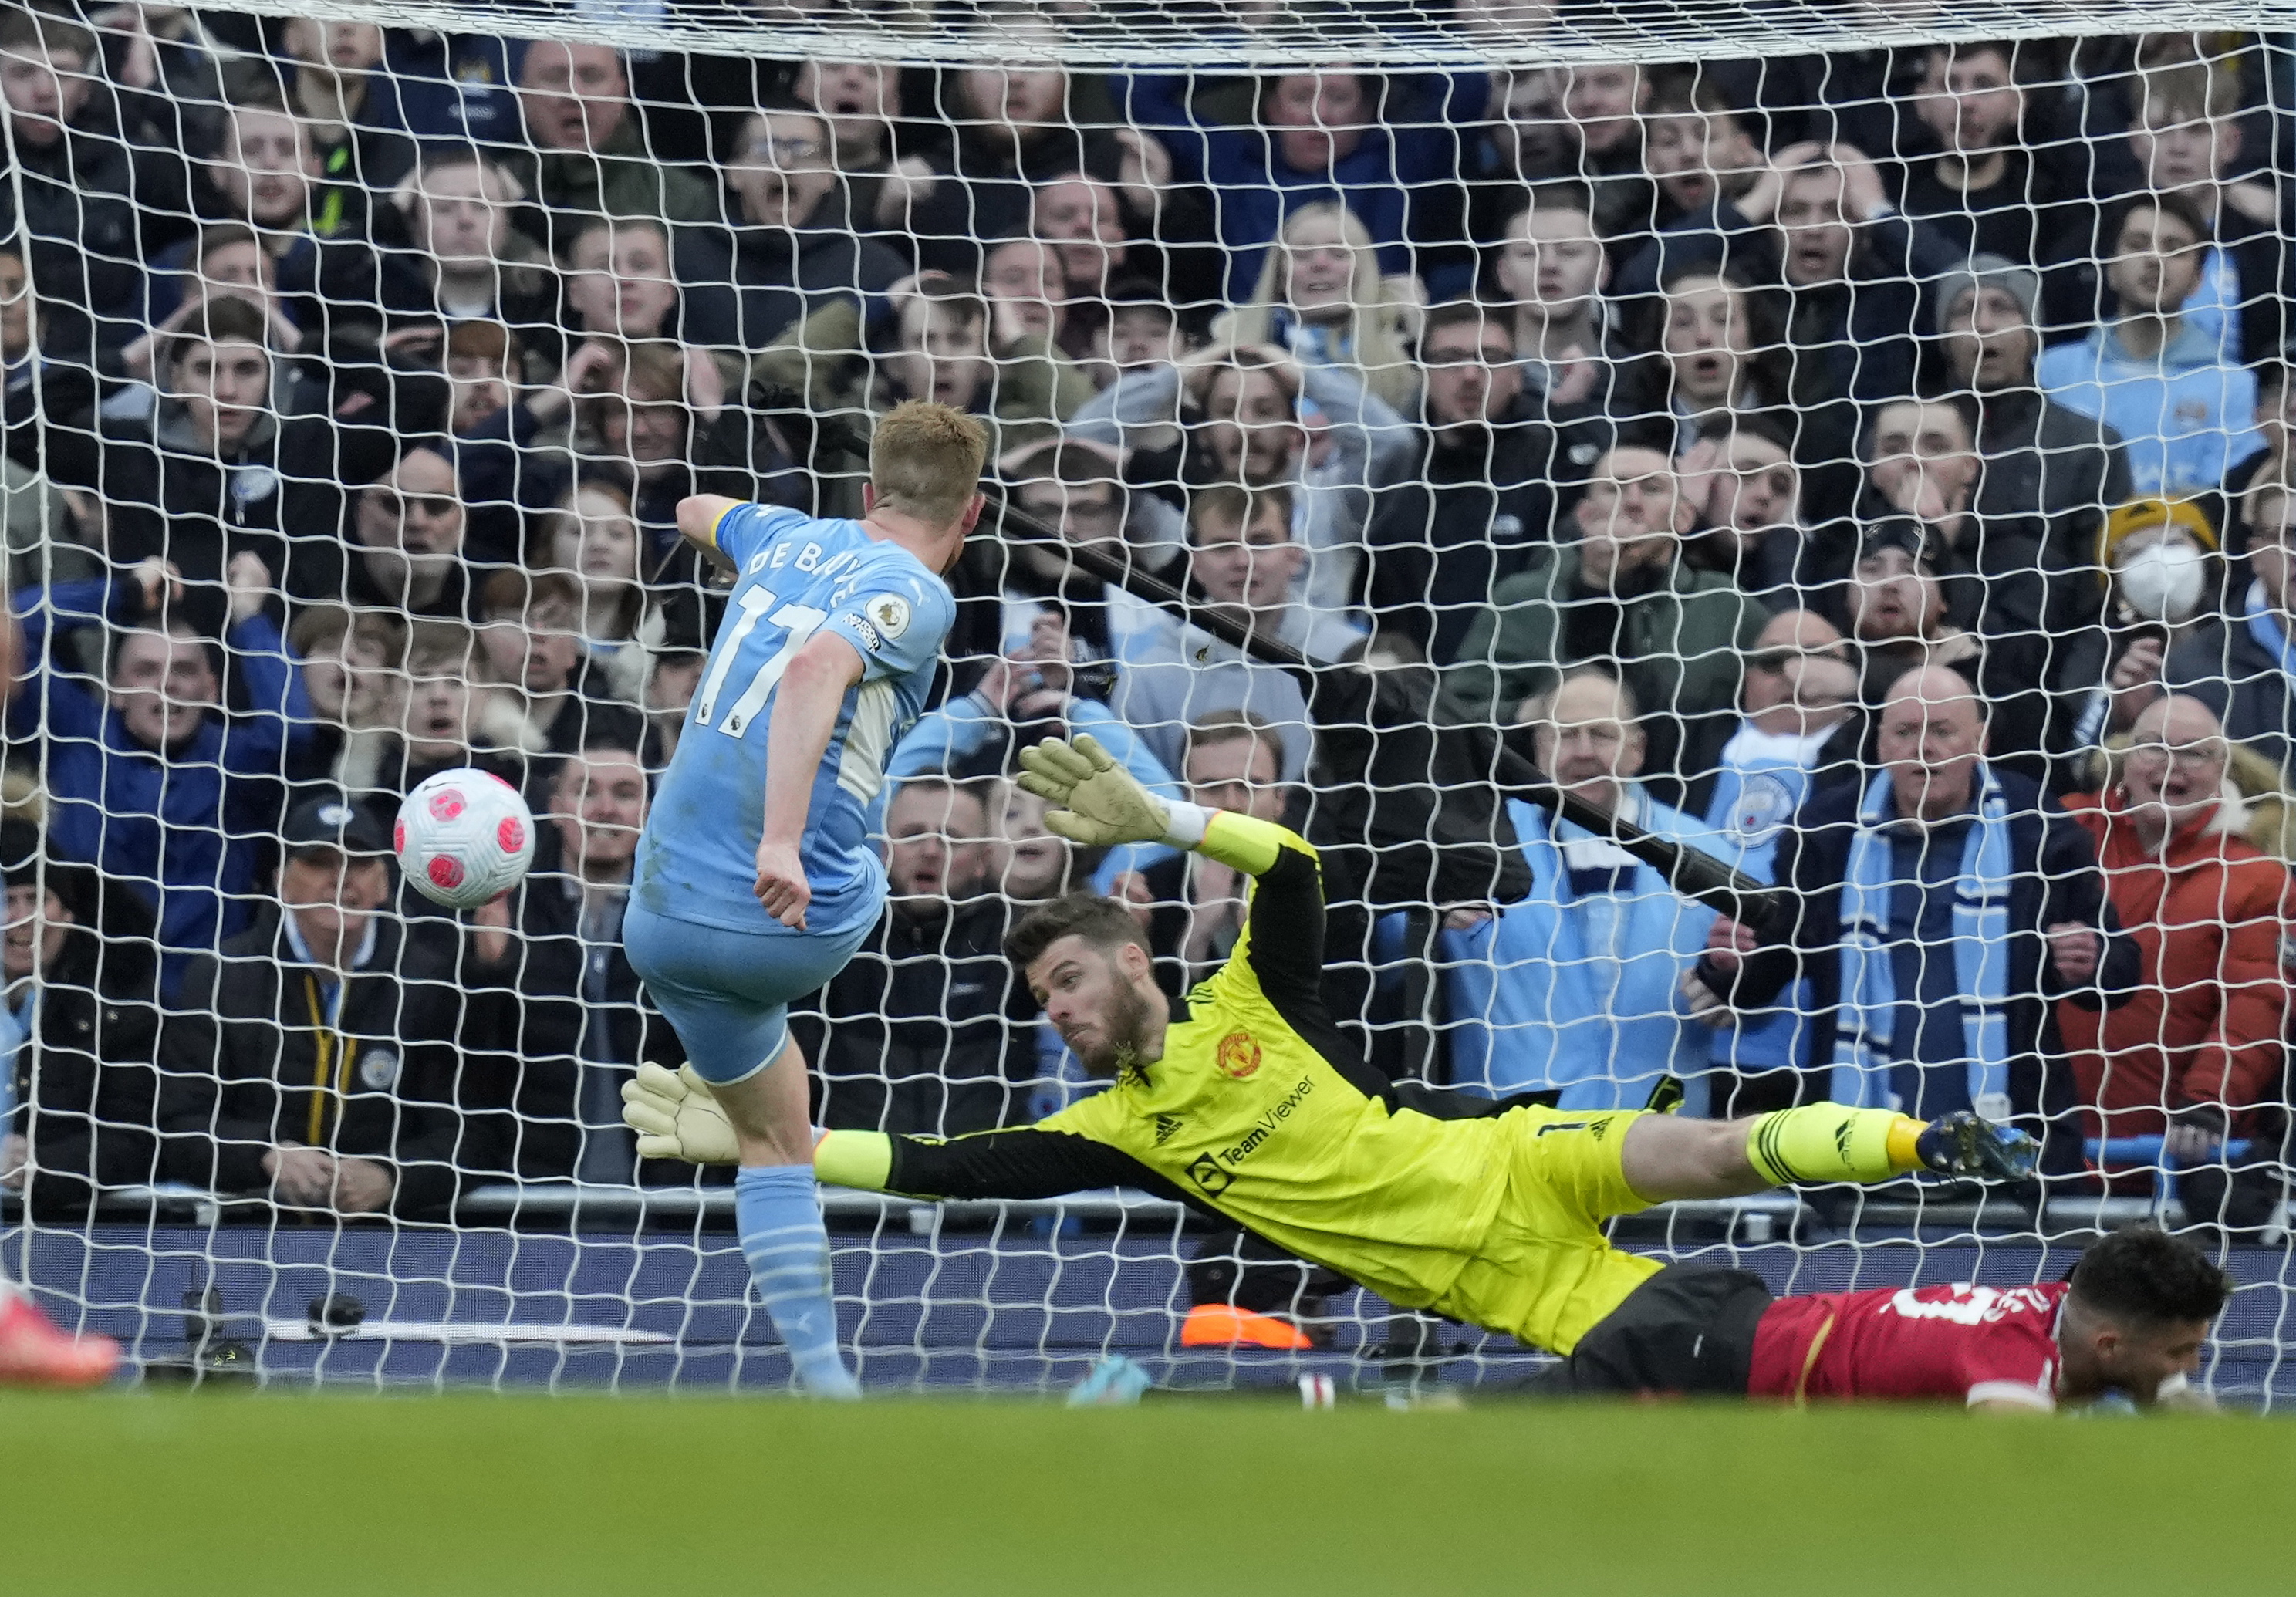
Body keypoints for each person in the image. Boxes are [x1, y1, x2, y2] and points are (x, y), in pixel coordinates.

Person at [626, 731, 2041, 1371]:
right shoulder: (1121, 1130)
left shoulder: (1251, 1003)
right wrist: (771, 1139)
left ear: (1131, 953)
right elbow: (944, 1167)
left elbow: (1292, 868)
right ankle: (1976, 1347)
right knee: (1723, 1352)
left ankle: (1938, 1144)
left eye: (1064, 980)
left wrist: (1167, 816)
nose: (1055, 1012)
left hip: (1510, 1158)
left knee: (1716, 1154)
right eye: (1040, 1001)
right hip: (1506, 1282)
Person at [623, 399, 986, 1397]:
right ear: (975, 512)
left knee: (774, 1136)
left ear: (867, 492)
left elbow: (698, 506)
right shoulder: (917, 590)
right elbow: (820, 662)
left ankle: (824, 1380)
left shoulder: (786, 533)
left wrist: (738, 556)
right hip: (795, 914)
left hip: (655, 915)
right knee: (886, 820)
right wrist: (780, 838)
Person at [1685, 667, 2138, 1160]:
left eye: (1942, 731)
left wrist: (2091, 959)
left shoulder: (2040, 830)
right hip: (1854, 1147)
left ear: (1980, 741)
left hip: (2012, 1144)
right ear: (1881, 746)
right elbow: (1767, 973)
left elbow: (2120, 974)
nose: (1924, 747)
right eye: (1906, 731)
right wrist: (1728, 964)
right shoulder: (1825, 834)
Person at [6, 556, 311, 1001]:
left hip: (205, 1005)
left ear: (213, 689)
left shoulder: (237, 759)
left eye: (184, 671)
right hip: (83, 1001)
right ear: (114, 689)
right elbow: (13, 625)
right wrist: (121, 594)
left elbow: (294, 728)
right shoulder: (76, 736)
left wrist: (248, 616)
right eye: (145, 671)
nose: (166, 684)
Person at [155, 794, 471, 1218]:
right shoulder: (220, 977)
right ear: (282, 881)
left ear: (384, 883)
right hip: (250, 1239)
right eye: (320, 862)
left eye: (358, 864)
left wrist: (393, 1177)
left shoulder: (431, 982)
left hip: (393, 1245)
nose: (341, 881)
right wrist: (264, 1155)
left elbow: (473, 1132)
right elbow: (176, 1123)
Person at [1518, 1222, 2228, 1409]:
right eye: (2179, 1354)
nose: (2188, 1368)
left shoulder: (2067, 1302)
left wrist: (2163, 1386)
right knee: (1480, 1435)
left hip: (1732, 1319)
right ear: (2108, 1344)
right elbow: (2022, 1483)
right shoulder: (2016, 1370)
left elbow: (2167, 1397)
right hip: (1702, 1360)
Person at [2057, 695, 2294, 1233]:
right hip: (2052, 1147)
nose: (2170, 765)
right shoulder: (2064, 830)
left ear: (2221, 770)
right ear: (2125, 758)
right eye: (2154, 748)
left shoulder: (2257, 878)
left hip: (2171, 1161)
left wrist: (2207, 1104)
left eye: (2194, 753)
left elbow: (2256, 1004)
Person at [1440, 670, 1720, 1109]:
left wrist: (1738, 988)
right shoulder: (1477, 846)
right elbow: (1389, 949)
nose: (1584, 752)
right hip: (1512, 1136)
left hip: (1660, 1138)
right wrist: (1431, 908)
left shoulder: (1708, 853)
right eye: (1566, 735)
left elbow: (1763, 978)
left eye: (1603, 735)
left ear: (1637, 749)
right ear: (1538, 746)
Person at [1443, 437, 1771, 806]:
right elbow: (1455, 714)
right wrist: (1530, 712)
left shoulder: (1725, 607)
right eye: (1613, 489)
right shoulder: (1523, 599)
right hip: (1534, 817)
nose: (1631, 502)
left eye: (1651, 489)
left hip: (1682, 825)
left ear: (1682, 517)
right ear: (1584, 516)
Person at [464, 731, 680, 1186]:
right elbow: (472, 1060)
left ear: (649, 811)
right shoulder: (503, 907)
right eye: (586, 791)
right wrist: (489, 970)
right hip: (533, 1195)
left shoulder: (682, 914)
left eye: (625, 794)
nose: (606, 809)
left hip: (666, 1194)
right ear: (557, 806)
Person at [799, 776, 1035, 1139]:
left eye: (951, 837)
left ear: (982, 861)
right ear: (883, 850)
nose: (930, 849)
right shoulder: (833, 940)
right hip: (851, 1183)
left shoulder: (1017, 943)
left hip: (984, 1182)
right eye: (911, 834)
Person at [1362, 300, 1582, 663]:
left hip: (1510, 688)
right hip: (1400, 694)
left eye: (1491, 358)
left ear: (1517, 378)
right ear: (1425, 373)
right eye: (1450, 358)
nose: (1470, 374)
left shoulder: (1554, 470)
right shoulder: (1388, 467)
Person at [1111, 483, 1363, 785]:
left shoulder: (1346, 659)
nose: (1243, 561)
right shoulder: (1148, 679)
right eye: (1223, 547)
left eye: (1261, 542)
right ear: (1195, 564)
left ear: (1294, 556)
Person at [2037, 194, 2265, 500]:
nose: (2154, 259)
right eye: (2137, 244)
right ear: (2110, 269)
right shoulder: (2054, 370)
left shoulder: (2233, 385)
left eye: (2175, 250)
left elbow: (2224, 498)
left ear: (2198, 279)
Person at [0, 818, 163, 1217]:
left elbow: (136, 1138)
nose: (20, 917)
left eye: (36, 898)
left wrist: (39, 1165)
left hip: (58, 1228)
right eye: (6, 900)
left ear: (68, 914)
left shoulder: (117, 1011)